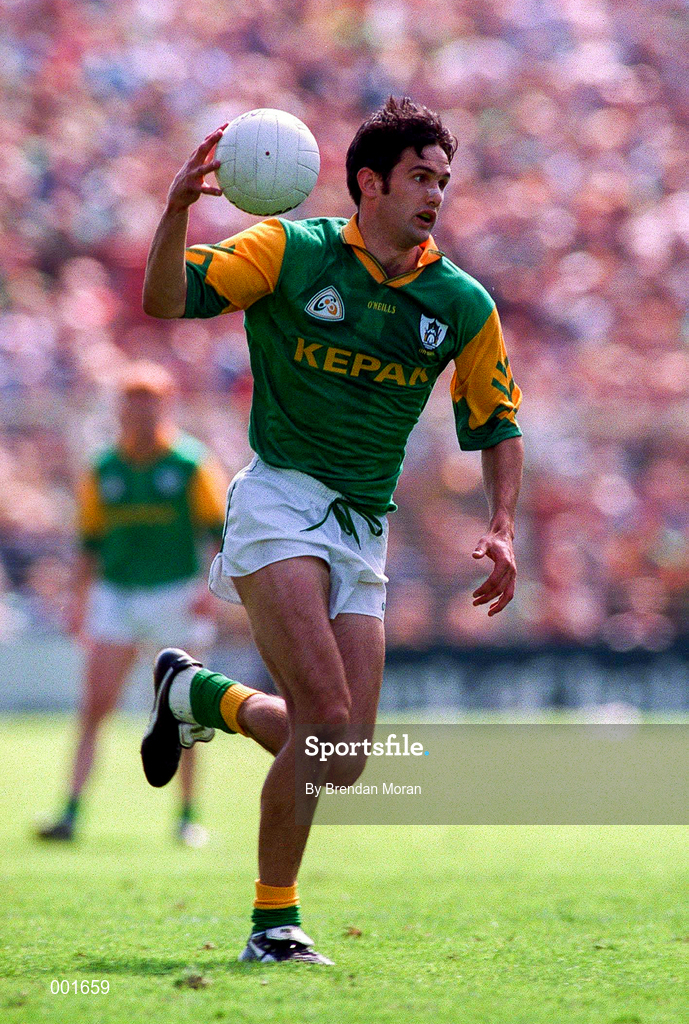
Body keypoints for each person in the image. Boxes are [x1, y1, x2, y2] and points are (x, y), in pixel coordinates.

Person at [140, 97, 523, 962]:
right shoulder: (288, 250)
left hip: (363, 527)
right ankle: (273, 924)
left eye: (443, 180)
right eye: (420, 178)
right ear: (368, 183)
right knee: (324, 712)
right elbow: (167, 299)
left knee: (342, 754)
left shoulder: (459, 301)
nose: (435, 195)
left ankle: (196, 696)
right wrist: (174, 214)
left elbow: (496, 423)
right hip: (278, 501)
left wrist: (501, 524)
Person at [38, 361, 228, 847]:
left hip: (174, 594)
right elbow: (89, 542)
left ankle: (188, 817)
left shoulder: (190, 463)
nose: (141, 412)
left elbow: (218, 533)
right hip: (117, 596)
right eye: (133, 402)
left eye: (150, 402)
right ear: (121, 408)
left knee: (184, 711)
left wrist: (210, 589)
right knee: (94, 706)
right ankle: (71, 811)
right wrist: (77, 601)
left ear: (166, 406)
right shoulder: (103, 468)